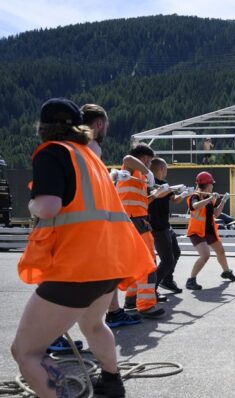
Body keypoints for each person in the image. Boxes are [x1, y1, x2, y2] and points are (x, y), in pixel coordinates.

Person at [11, 98, 155, 397]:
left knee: (26, 352)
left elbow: (48, 207)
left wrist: (31, 203)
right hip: (108, 264)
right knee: (93, 324)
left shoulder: (52, 152)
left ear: (42, 128)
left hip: (76, 267)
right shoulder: (91, 159)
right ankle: (112, 381)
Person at [80, 104, 144, 330]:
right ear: (99, 124)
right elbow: (91, 182)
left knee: (107, 268)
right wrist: (114, 174)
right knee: (74, 278)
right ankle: (52, 331)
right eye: (105, 124)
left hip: (87, 220)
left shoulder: (79, 146)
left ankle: (114, 312)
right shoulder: (91, 146)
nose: (106, 128)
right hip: (86, 221)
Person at [117, 144, 165, 318]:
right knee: (148, 263)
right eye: (149, 160)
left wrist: (155, 195)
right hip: (135, 219)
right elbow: (127, 158)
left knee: (134, 261)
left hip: (132, 219)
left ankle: (131, 300)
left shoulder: (136, 175)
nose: (150, 163)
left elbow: (141, 201)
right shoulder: (132, 167)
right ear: (143, 158)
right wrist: (148, 172)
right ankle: (145, 304)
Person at [185, 171, 235, 290]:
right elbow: (194, 206)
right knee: (205, 255)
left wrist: (223, 201)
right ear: (208, 184)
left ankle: (226, 272)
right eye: (212, 184)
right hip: (197, 232)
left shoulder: (210, 197)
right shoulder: (194, 196)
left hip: (209, 230)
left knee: (221, 251)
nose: (213, 186)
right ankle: (191, 280)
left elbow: (216, 213)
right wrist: (209, 199)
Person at [148, 158, 187, 294]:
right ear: (161, 168)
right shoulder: (149, 183)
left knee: (176, 252)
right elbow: (156, 195)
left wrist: (184, 194)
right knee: (167, 260)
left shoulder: (165, 183)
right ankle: (152, 288)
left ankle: (167, 280)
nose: (166, 172)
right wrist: (171, 189)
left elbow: (174, 200)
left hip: (166, 225)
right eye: (166, 169)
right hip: (157, 226)